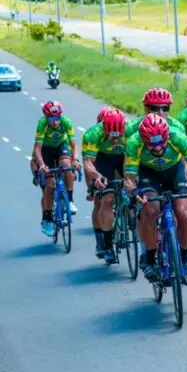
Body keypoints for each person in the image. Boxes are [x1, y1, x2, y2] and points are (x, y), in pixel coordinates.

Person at [123, 114, 187, 285]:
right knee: (150, 209)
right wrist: (133, 192)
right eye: (152, 146)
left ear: (167, 136)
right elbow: (129, 178)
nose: (157, 150)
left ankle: (183, 260)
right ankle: (149, 257)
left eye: (161, 145)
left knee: (184, 214)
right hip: (149, 174)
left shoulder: (178, 137)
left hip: (174, 172)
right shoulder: (134, 143)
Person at [82, 107, 127, 263]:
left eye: (118, 136)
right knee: (104, 200)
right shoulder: (93, 134)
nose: (115, 140)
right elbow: (88, 163)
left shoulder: (131, 132)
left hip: (123, 157)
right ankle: (106, 244)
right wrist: (94, 180)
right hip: (102, 160)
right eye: (111, 136)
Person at [32, 100, 80, 237]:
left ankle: (70, 200)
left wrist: (75, 160)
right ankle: (47, 217)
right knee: (50, 184)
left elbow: (74, 145)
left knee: (67, 166)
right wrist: (41, 165)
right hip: (46, 149)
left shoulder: (66, 121)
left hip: (61, 145)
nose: (55, 122)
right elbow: (37, 149)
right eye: (52, 119)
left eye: (57, 118)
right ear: (46, 117)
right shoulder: (42, 124)